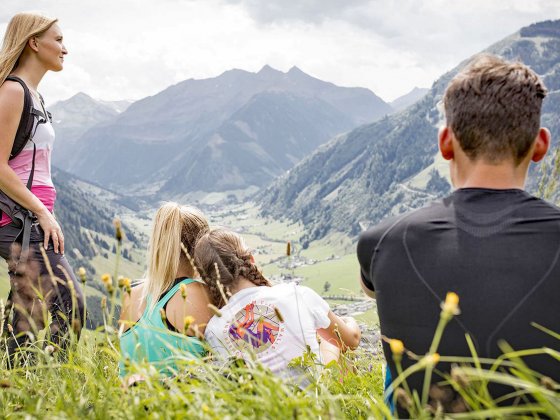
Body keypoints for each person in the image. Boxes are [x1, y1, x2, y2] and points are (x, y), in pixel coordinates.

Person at [357, 54, 559, 412]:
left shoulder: (380, 242)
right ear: (541, 144)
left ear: (446, 142)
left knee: (396, 369)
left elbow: (375, 292)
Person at [0, 12, 84, 361]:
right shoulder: (13, 91)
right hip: (18, 221)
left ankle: (16, 389)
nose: (65, 48)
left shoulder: (33, 94)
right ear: (34, 42)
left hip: (31, 218)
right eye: (59, 40)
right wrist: (40, 212)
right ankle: (51, 380)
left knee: (25, 315)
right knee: (71, 303)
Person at [195, 228, 361, 380]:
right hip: (316, 404)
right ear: (251, 259)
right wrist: (349, 321)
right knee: (331, 339)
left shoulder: (213, 330)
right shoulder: (296, 294)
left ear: (207, 281)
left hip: (266, 410)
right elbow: (351, 341)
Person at [119, 203, 213, 381]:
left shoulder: (130, 295)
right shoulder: (200, 295)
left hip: (126, 405)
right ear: (202, 247)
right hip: (179, 404)